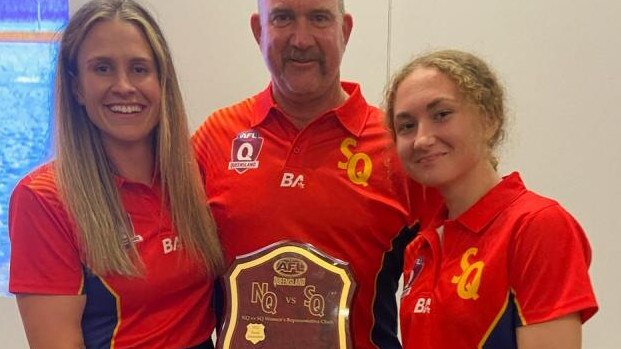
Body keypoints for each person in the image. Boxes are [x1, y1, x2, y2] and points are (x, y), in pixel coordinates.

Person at [192, 0, 436, 348]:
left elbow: (459, 271)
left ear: (345, 30)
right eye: (283, 18)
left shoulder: (396, 147)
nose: (301, 39)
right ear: (258, 31)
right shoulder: (215, 138)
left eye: (319, 18)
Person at [8, 0, 224, 348]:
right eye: (102, 68)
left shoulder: (195, 174)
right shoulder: (45, 199)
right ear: (77, 87)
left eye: (139, 69)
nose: (124, 86)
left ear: (162, 81)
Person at [384, 49, 598, 349]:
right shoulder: (420, 247)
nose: (422, 139)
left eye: (441, 115)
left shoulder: (537, 225)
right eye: (406, 126)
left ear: (490, 118)